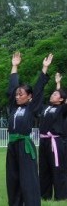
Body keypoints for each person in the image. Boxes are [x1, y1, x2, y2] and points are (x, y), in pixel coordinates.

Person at [6, 52, 52, 206]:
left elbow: (38, 89)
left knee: (28, 178)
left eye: (21, 94)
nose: (17, 96)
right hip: (12, 145)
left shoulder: (31, 107)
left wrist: (44, 68)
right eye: (17, 95)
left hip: (25, 146)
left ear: (29, 97)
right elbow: (12, 86)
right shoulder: (14, 107)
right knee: (13, 177)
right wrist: (14, 66)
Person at [38, 72, 67, 201]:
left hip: (55, 141)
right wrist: (57, 83)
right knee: (44, 168)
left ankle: (61, 196)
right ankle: (45, 195)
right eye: (53, 93)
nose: (52, 94)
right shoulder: (46, 107)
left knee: (57, 169)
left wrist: (58, 84)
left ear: (61, 99)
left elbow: (64, 98)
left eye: (55, 94)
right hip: (44, 141)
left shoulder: (62, 109)